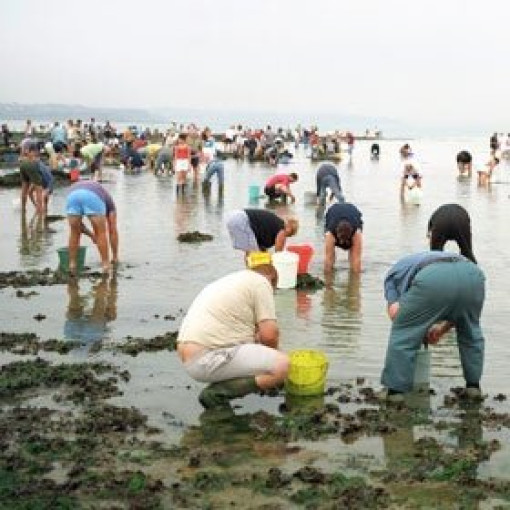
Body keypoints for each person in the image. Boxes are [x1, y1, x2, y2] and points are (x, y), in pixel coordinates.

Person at [380, 204, 485, 402]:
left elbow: (396, 313)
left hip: (432, 277)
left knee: (403, 333)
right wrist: (441, 329)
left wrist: (396, 308)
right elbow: (459, 309)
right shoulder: (468, 260)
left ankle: (394, 392)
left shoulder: (394, 273)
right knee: (471, 330)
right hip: (473, 276)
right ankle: (473, 387)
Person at [176, 264, 289, 408]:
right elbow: (270, 336)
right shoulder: (261, 283)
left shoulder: (231, 282)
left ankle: (221, 391)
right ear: (272, 282)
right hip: (206, 358)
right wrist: (274, 373)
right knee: (283, 365)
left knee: (260, 352)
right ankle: (215, 394)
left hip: (190, 356)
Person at [65, 181, 119, 274]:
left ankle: (72, 265)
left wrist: (92, 236)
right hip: (92, 197)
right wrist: (115, 256)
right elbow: (112, 229)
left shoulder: (101, 192)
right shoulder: (111, 206)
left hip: (72, 195)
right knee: (101, 232)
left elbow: (80, 226)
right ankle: (106, 264)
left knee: (74, 232)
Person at [226, 209, 298, 258]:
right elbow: (278, 253)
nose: (285, 238)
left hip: (234, 216)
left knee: (251, 252)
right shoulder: (282, 229)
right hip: (242, 220)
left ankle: (250, 271)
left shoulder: (274, 225)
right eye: (289, 235)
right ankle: (253, 274)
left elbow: (260, 247)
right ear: (289, 230)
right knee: (253, 253)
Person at [324, 202, 363, 273]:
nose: (343, 243)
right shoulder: (330, 233)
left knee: (354, 255)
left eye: (345, 241)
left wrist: (355, 281)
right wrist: (328, 280)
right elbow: (328, 258)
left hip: (353, 212)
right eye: (342, 241)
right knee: (330, 255)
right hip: (333, 212)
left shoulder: (356, 232)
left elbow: (357, 259)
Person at [19, 143, 45, 215]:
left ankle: (23, 208)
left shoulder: (28, 150)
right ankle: (40, 211)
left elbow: (25, 154)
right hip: (31, 164)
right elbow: (35, 160)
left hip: (23, 164)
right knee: (39, 190)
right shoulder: (36, 152)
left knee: (24, 188)